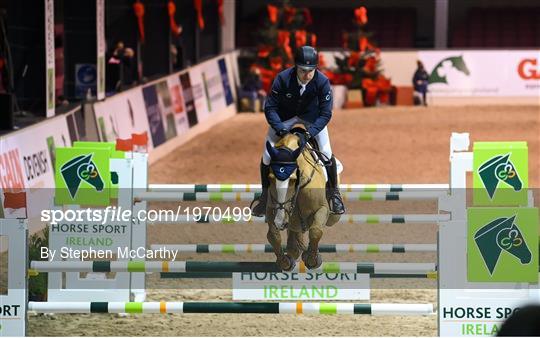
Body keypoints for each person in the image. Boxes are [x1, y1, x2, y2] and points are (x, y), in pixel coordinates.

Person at [251, 46, 345, 216]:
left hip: (311, 118)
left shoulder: (322, 81)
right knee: (266, 155)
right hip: (285, 118)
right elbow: (270, 107)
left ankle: (334, 194)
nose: (307, 75)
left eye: (311, 70)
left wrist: (310, 133)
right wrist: (280, 129)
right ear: (296, 67)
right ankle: (264, 196)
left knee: (325, 151)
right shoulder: (283, 78)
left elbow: (325, 113)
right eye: (303, 70)